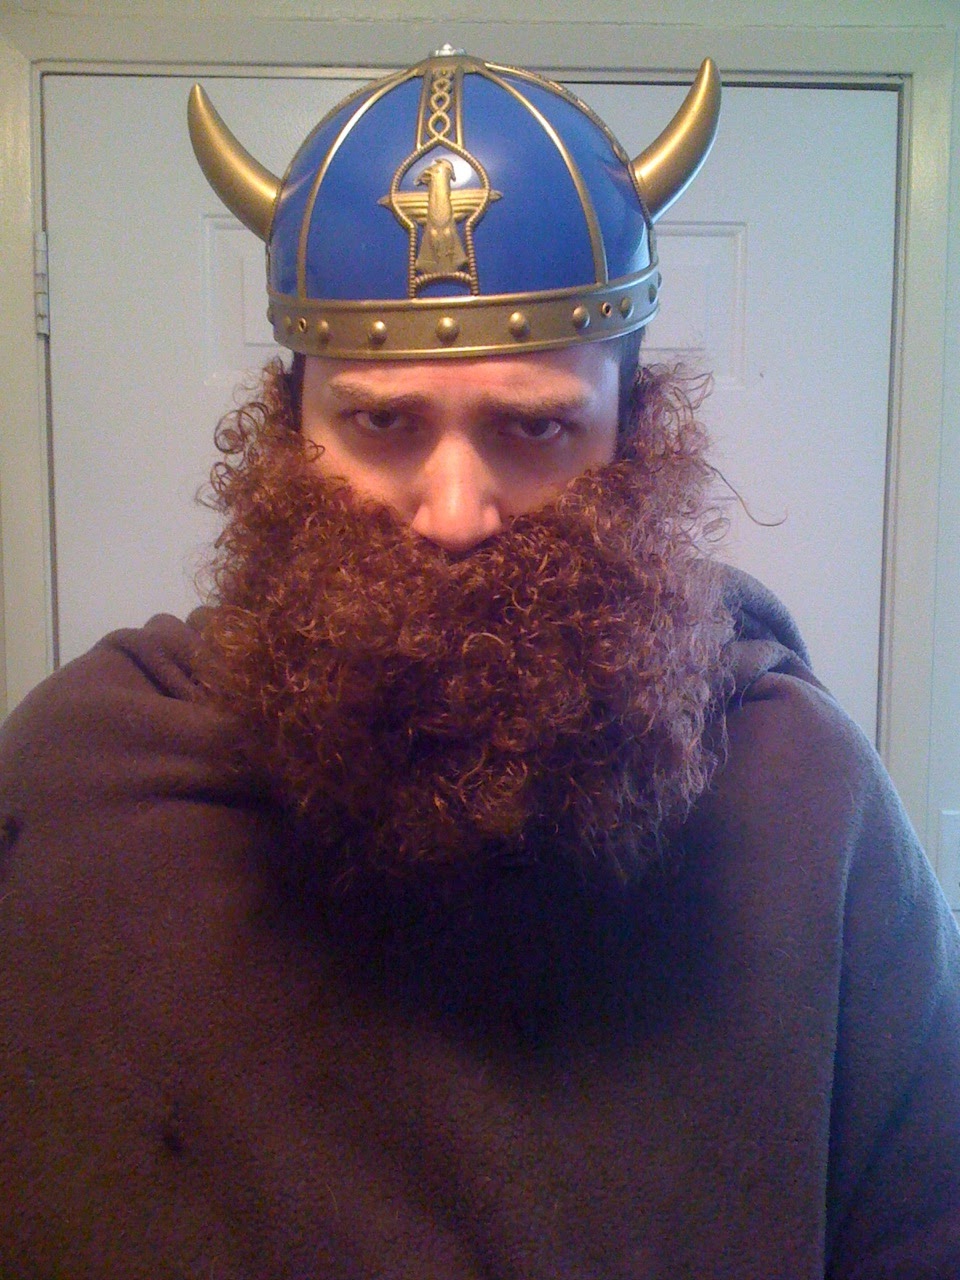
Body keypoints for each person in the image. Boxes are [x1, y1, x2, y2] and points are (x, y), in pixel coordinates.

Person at [1, 47, 958, 1278]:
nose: (454, 511)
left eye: (537, 424)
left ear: (631, 432)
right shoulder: (80, 783)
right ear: (291, 425)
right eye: (381, 421)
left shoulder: (805, 803)